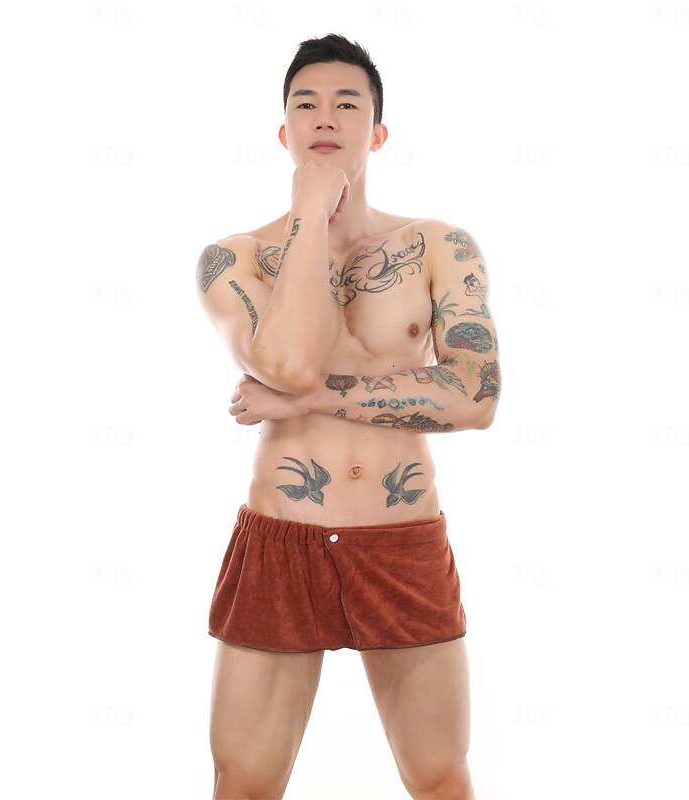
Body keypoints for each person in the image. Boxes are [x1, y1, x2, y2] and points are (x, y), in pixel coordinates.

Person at [195, 32, 500, 800]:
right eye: (306, 104)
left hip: (402, 537)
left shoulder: (438, 246)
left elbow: (476, 395)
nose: (325, 117)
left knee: (439, 778)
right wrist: (309, 209)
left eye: (346, 104)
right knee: (243, 782)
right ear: (284, 133)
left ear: (379, 132)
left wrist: (312, 402)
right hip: (283, 538)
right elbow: (288, 363)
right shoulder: (234, 259)